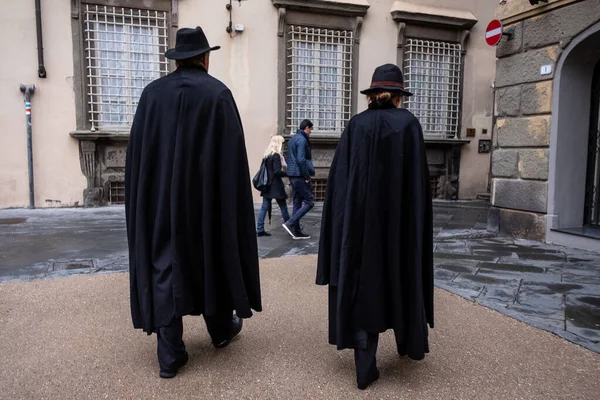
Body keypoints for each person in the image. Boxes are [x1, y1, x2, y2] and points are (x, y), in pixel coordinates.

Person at [125, 26, 262, 379]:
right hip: (206, 199)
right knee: (213, 256)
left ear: (177, 60)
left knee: (164, 264)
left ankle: (170, 357)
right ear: (205, 57)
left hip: (160, 202)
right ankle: (220, 331)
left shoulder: (151, 96)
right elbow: (231, 161)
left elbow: (139, 157)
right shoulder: (218, 94)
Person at [316, 64, 434, 390]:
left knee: (362, 283)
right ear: (398, 96)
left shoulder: (356, 126)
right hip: (398, 227)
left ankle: (364, 368)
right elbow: (418, 188)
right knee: (401, 275)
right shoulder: (408, 125)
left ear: (372, 95)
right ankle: (406, 343)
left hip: (357, 228)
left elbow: (339, 184)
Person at [282, 119, 315, 239]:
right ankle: (290, 223)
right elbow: (301, 159)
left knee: (297, 202)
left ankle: (296, 230)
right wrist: (306, 176)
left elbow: (289, 156)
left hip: (292, 174)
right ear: (306, 127)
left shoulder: (293, 139)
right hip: (300, 175)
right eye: (310, 129)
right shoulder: (302, 140)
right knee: (310, 201)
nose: (311, 131)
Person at [256, 135, 290, 236]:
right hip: (275, 185)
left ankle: (260, 229)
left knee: (264, 207)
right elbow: (277, 171)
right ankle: (290, 225)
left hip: (267, 185)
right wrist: (287, 174)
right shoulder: (276, 155)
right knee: (283, 207)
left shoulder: (267, 155)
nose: (283, 145)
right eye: (282, 143)